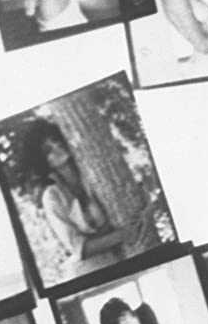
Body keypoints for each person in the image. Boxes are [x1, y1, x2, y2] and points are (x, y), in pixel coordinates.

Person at [20, 117, 150, 283]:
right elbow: (79, 248)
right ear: (42, 162)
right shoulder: (52, 197)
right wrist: (121, 236)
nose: (57, 147)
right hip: (91, 271)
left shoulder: (91, 169)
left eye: (56, 140)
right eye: (48, 150)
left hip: (123, 255)